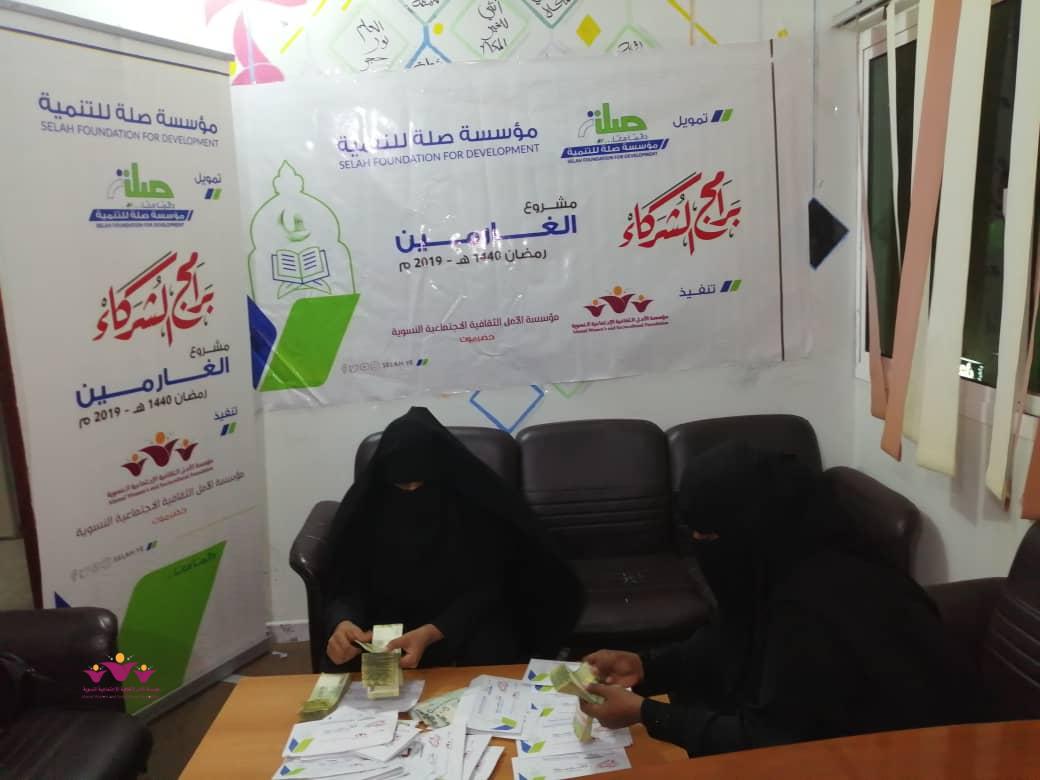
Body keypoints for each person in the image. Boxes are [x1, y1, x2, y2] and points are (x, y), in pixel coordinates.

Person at [579, 442, 962, 756]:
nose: (699, 547)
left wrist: (647, 714)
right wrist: (645, 667)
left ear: (754, 528)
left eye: (709, 537)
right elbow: (730, 638)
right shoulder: (782, 566)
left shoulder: (818, 608)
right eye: (692, 534)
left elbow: (772, 742)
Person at [324, 406, 584, 671]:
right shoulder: (369, 508)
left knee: (492, 656)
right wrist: (343, 621)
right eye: (401, 486)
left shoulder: (472, 506)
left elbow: (493, 583)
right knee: (344, 666)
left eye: (422, 485)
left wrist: (434, 631)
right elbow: (347, 581)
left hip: (463, 617)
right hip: (388, 619)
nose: (412, 493)